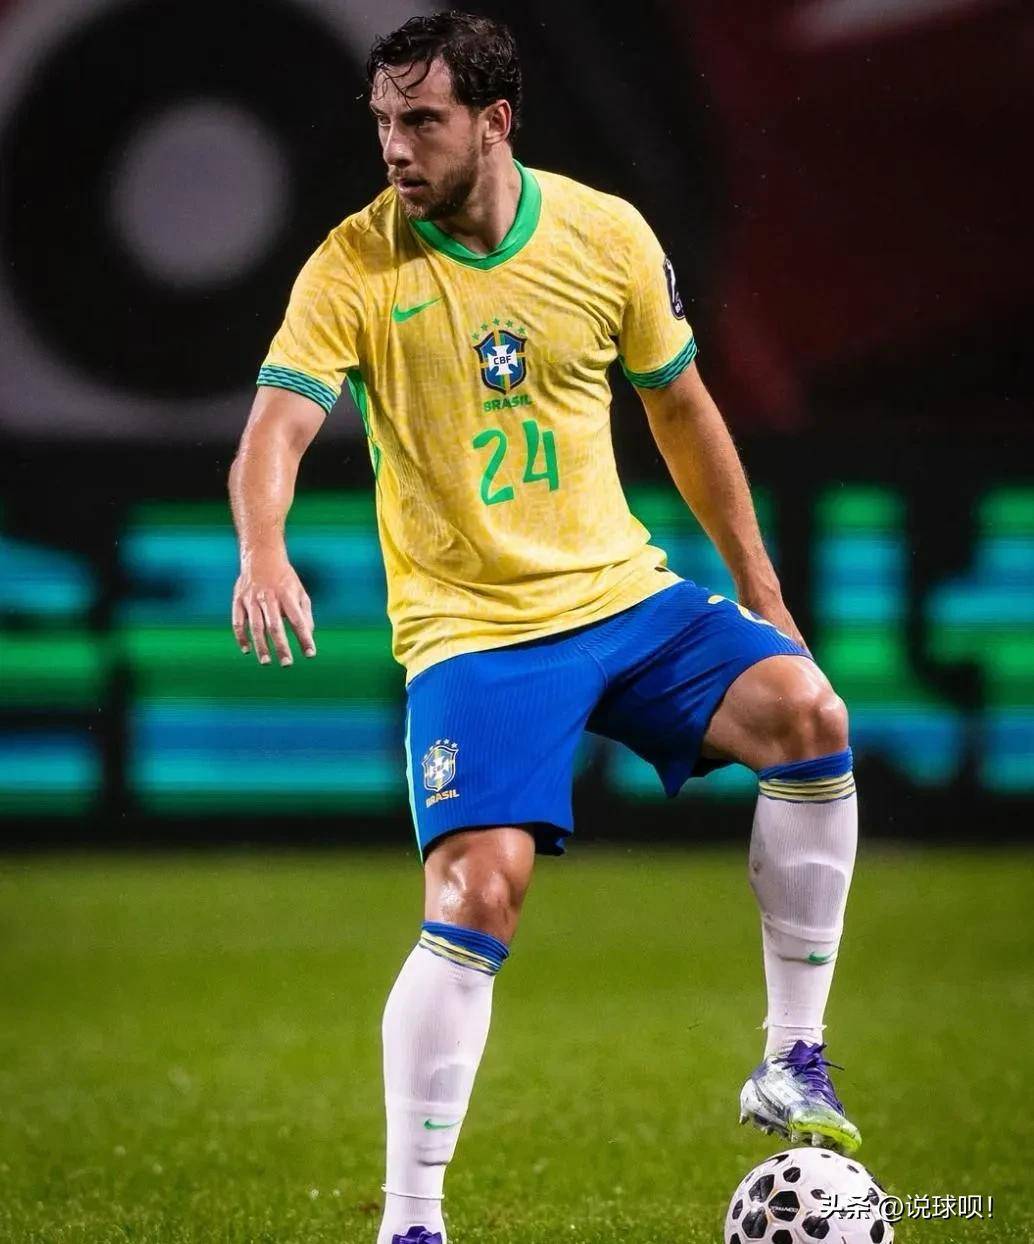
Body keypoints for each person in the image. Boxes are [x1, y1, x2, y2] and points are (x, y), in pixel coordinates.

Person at [228, 13, 861, 1244]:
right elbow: (273, 433)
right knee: (480, 889)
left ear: (494, 120)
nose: (394, 147)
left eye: (421, 120)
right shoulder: (353, 265)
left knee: (807, 712)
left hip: (621, 596)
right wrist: (263, 546)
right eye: (382, 121)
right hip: (472, 630)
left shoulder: (603, 234)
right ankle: (411, 1221)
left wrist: (762, 590)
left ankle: (792, 1056)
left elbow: (682, 410)